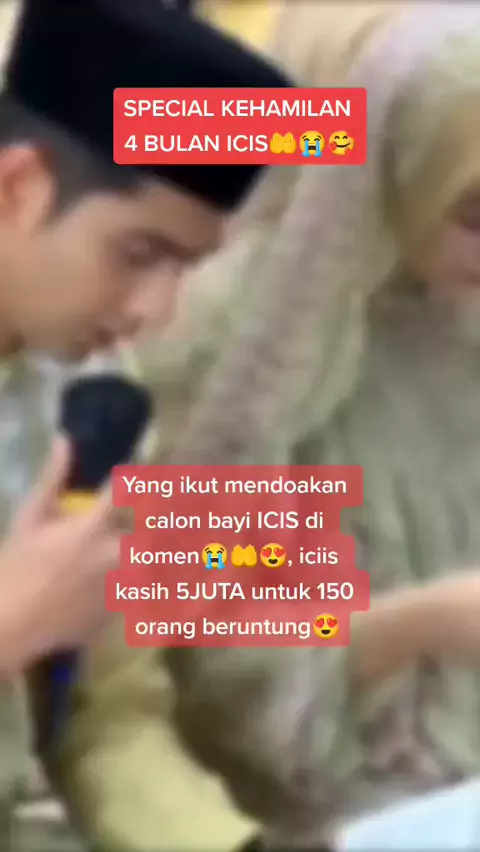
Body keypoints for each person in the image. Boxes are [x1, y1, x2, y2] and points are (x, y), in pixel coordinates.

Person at [132, 2, 480, 850]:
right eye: (475, 213)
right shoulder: (241, 345)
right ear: (396, 166)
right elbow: (206, 659)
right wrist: (423, 621)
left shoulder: (453, 311)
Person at [0, 1, 290, 850]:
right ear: (17, 190)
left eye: (185, 268)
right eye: (139, 254)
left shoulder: (95, 402)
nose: (157, 312)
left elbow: (111, 712)